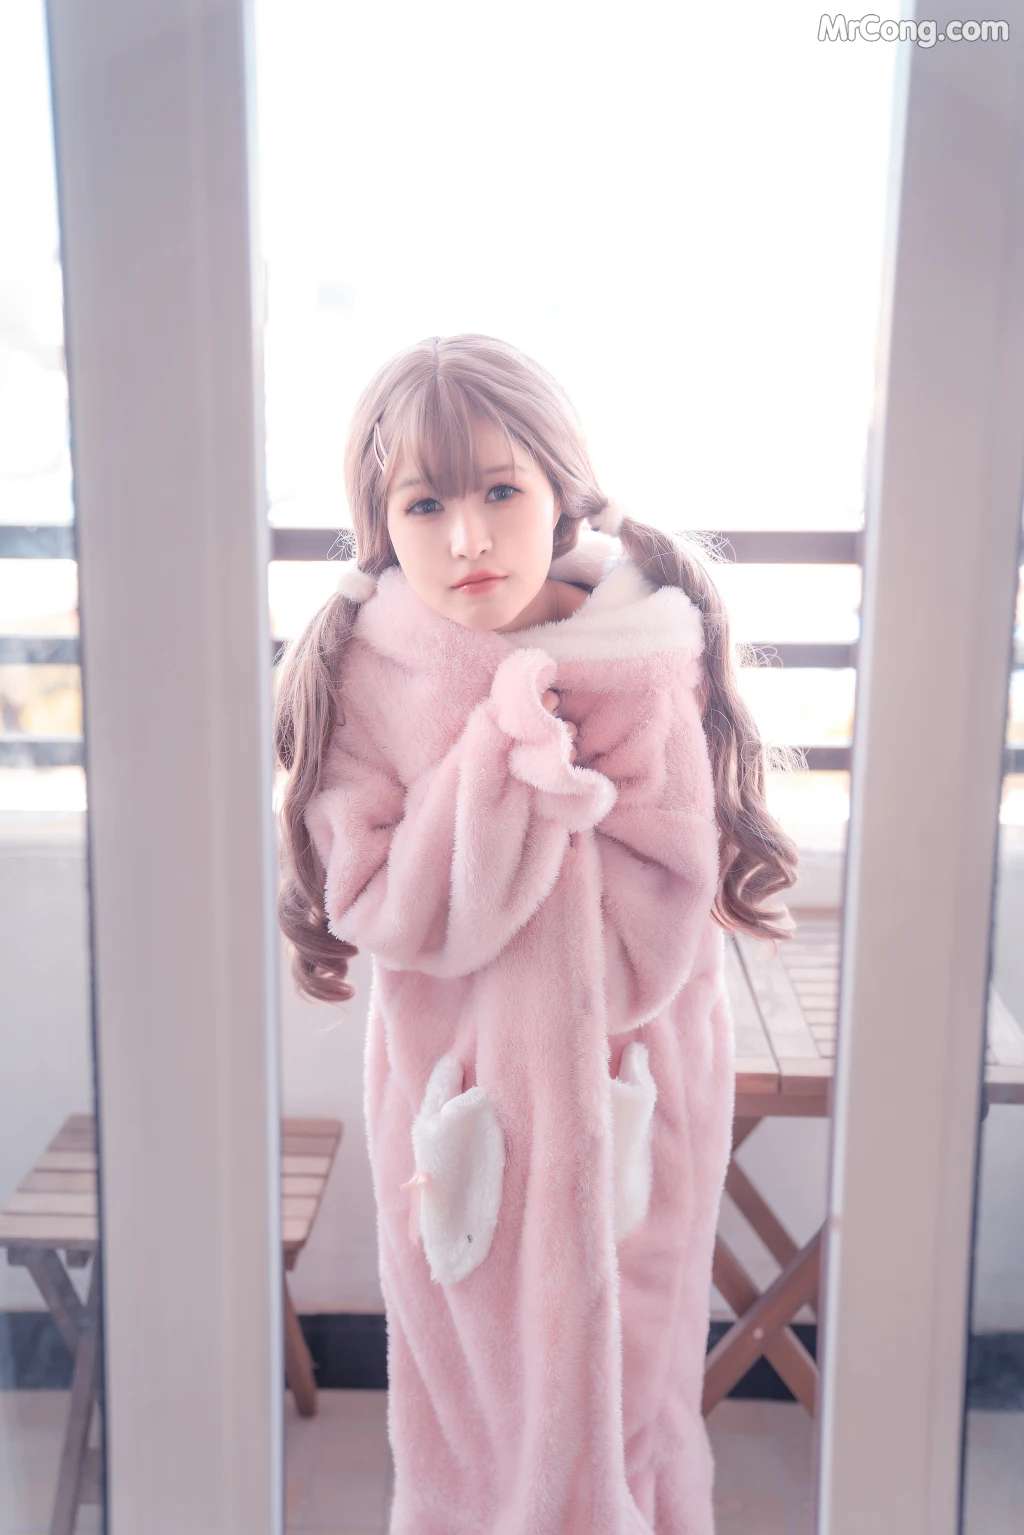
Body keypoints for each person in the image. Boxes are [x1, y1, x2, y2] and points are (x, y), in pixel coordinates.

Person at [274, 333, 800, 1534]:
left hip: (631, 1093)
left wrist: (545, 792)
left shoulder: (639, 661)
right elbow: (382, 905)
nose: (467, 537)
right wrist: (508, 759)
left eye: (500, 491)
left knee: (631, 1397)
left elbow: (651, 935)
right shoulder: (373, 677)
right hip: (459, 1108)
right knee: (470, 1409)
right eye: (425, 503)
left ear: (559, 491)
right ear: (380, 523)